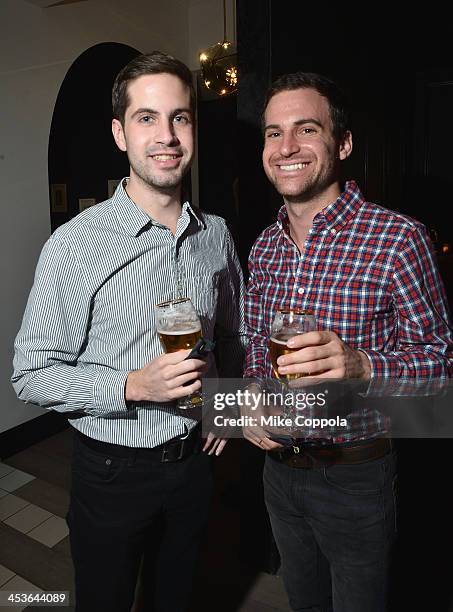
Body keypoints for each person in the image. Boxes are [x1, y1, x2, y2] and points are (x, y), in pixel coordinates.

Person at [12, 51, 245, 612]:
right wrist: (133, 386)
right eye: (147, 118)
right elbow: (30, 375)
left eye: (180, 117)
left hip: (194, 463)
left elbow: (233, 336)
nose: (166, 135)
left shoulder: (215, 234)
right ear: (120, 134)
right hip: (113, 473)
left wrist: (222, 404)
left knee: (177, 596)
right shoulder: (75, 245)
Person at [243, 71, 453, 612]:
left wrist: (361, 366)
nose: (285, 147)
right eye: (272, 132)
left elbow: (442, 367)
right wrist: (245, 404)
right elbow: (250, 343)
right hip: (277, 474)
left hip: (357, 476)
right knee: (303, 601)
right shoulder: (263, 246)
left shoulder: (399, 238)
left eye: (305, 129)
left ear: (343, 142)